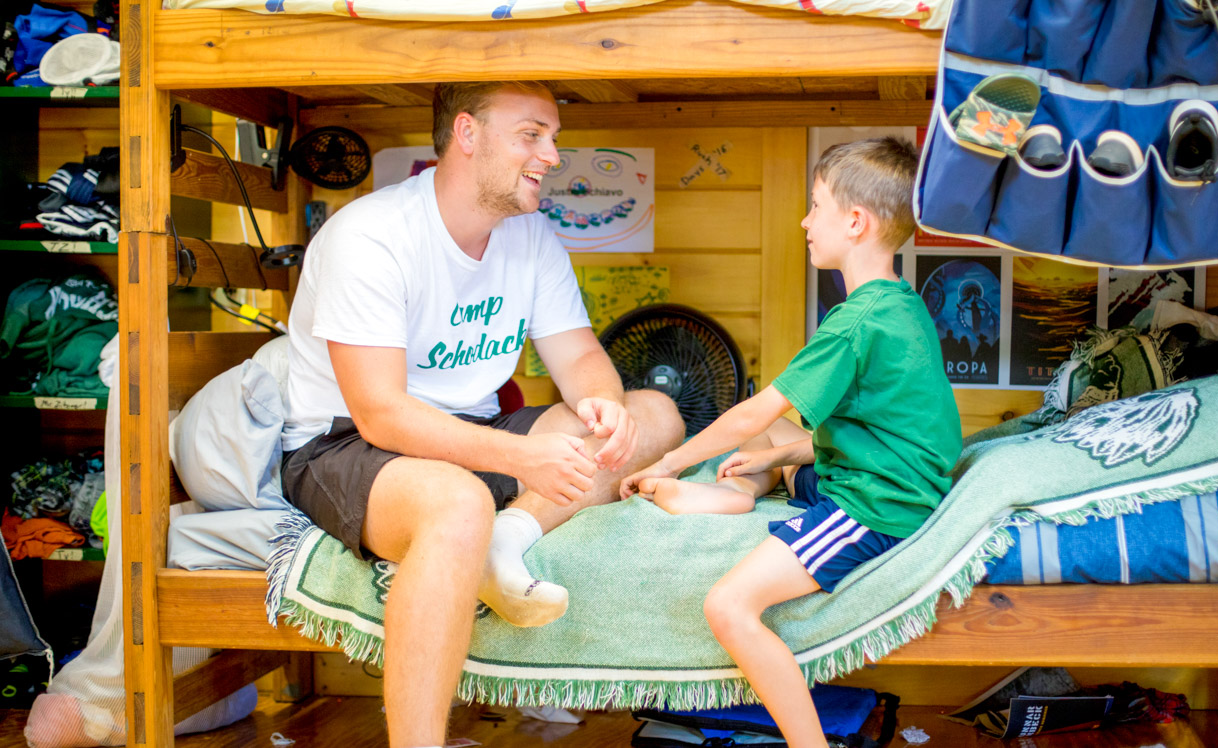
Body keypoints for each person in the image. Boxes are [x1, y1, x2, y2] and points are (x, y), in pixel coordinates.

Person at [280, 81, 684, 748]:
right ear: (467, 134)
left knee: (657, 413)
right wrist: (524, 457)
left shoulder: (530, 235)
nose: (552, 155)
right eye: (532, 135)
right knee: (460, 502)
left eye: (553, 136)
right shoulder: (371, 236)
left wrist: (604, 409)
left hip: (475, 429)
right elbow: (381, 415)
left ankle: (509, 538)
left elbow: (581, 357)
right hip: (349, 446)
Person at [621, 137, 961, 748]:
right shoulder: (900, 306)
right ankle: (737, 492)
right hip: (876, 473)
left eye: (815, 205)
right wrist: (781, 455)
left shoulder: (856, 322)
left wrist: (670, 456)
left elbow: (754, 408)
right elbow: (886, 428)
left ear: (855, 222)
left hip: (876, 508)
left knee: (728, 606)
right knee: (777, 438)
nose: (804, 221)